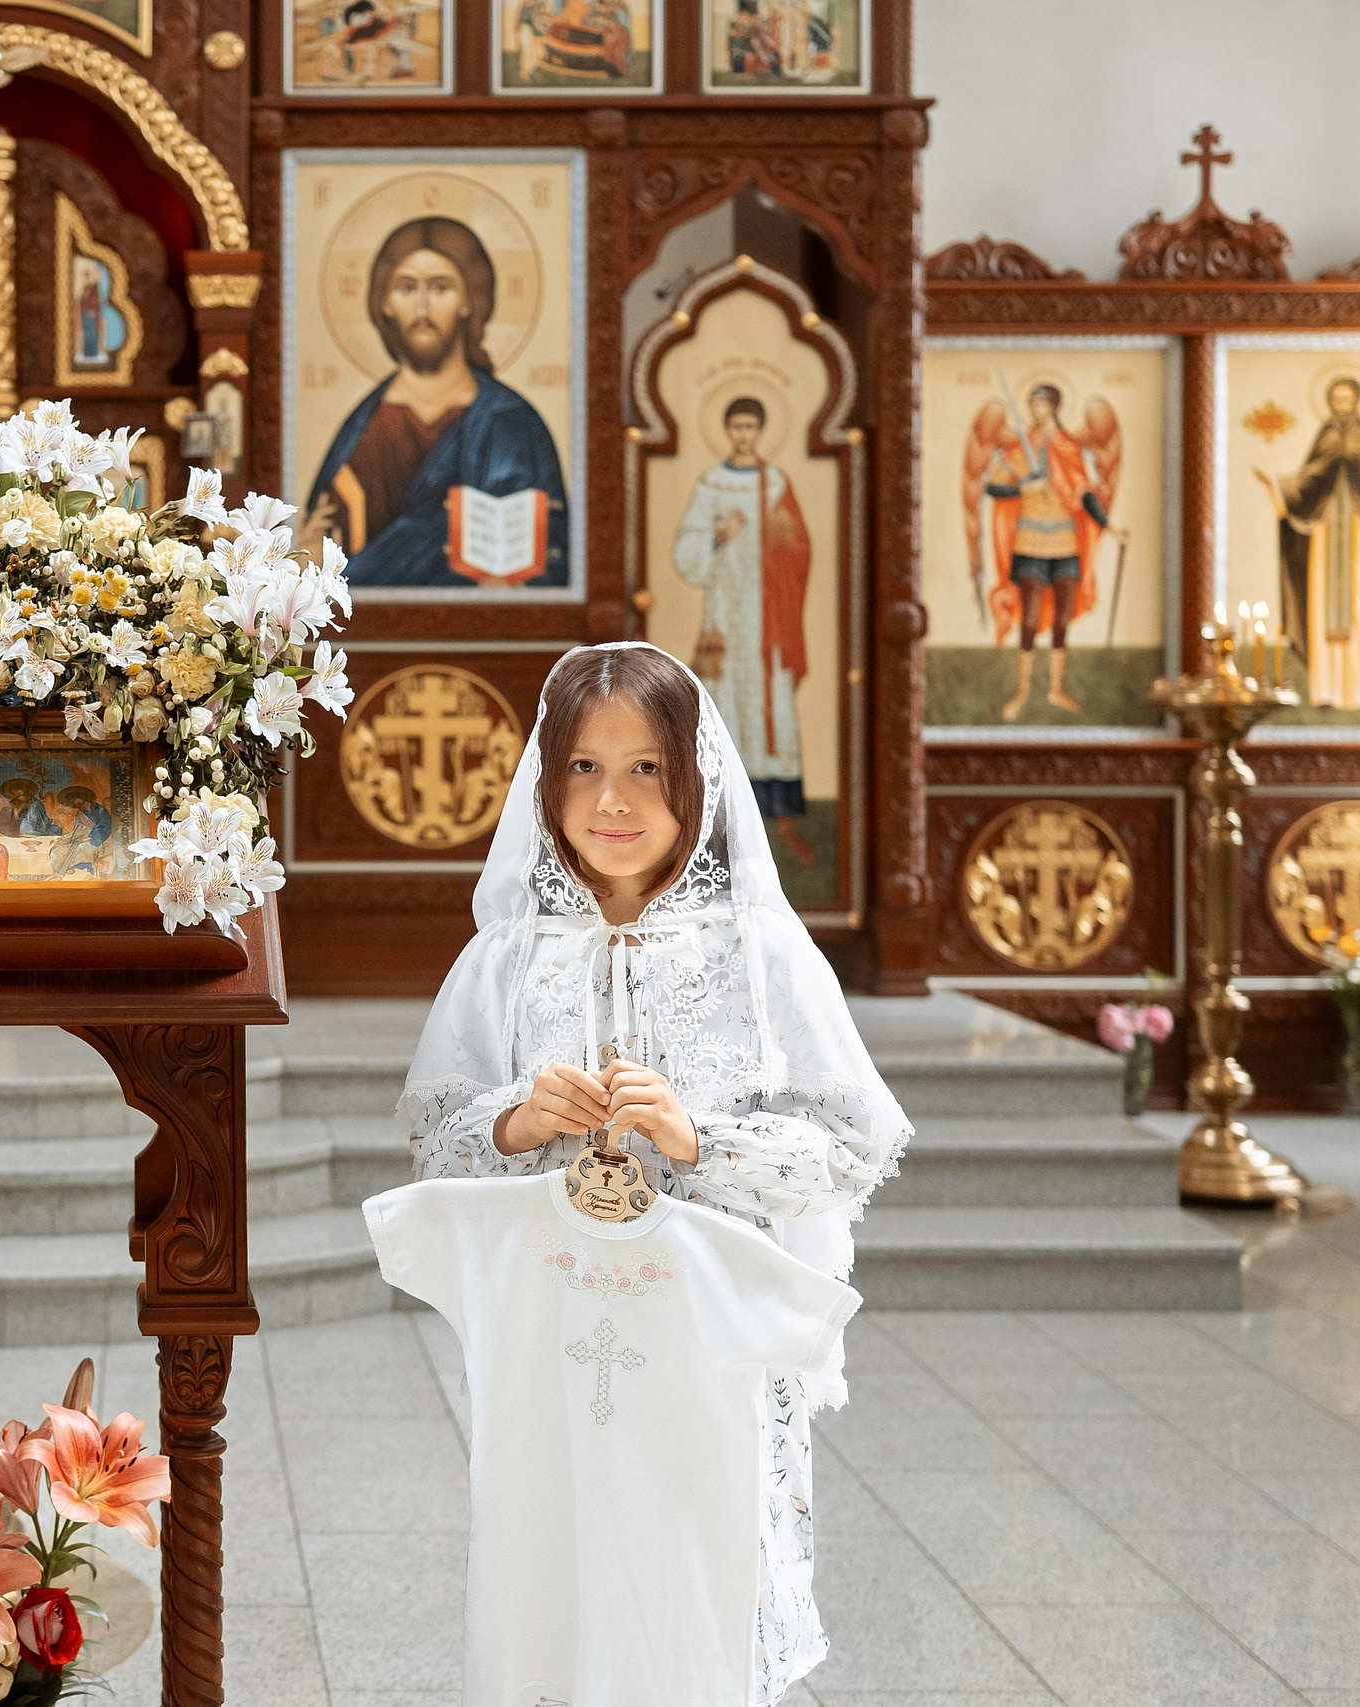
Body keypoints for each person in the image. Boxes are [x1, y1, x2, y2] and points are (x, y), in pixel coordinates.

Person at [391, 641, 909, 1707]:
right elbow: (435, 1139)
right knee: (554, 1564)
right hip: (551, 1331)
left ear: (697, 781)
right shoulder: (505, 957)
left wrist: (698, 1140)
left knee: (694, 1573)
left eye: (645, 771)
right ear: (546, 783)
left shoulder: (760, 958)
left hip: (707, 1336)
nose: (611, 801)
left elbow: (850, 1150)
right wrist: (515, 1121)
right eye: (583, 768)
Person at [303, 218, 569, 588]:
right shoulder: (363, 428)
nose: (422, 307)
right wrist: (306, 559)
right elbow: (318, 554)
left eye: (441, 288)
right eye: (406, 287)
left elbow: (555, 556)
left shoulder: (512, 423)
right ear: (385, 303)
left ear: (468, 301)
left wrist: (517, 583)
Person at [670, 396, 816, 865]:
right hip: (725, 618)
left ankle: (782, 824)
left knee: (773, 706)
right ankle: (715, 829)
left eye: (752, 426)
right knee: (723, 702)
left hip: (768, 618)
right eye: (736, 426)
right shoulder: (711, 484)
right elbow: (685, 555)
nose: (744, 435)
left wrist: (778, 538)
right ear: (728, 430)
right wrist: (719, 537)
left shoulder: (773, 483)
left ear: (762, 430)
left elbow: (799, 549)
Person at [1255, 376, 1360, 712]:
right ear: (1330, 402)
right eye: (1337, 400)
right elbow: (1310, 479)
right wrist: (1281, 486)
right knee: (1321, 607)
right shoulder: (1327, 435)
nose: (1342, 405)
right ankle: (1326, 691)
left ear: (1357, 401)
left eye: (1348, 399)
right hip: (1327, 528)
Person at [977, 383, 1115, 720]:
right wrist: (1025, 487)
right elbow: (992, 486)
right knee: (1029, 617)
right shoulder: (1018, 449)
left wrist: (1107, 525)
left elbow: (1084, 492)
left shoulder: (1070, 448)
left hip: (1065, 543)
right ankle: (1023, 690)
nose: (1035, 411)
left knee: (1063, 617)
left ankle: (1055, 689)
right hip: (1030, 543)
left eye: (1041, 405)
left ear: (1053, 407)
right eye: (1032, 405)